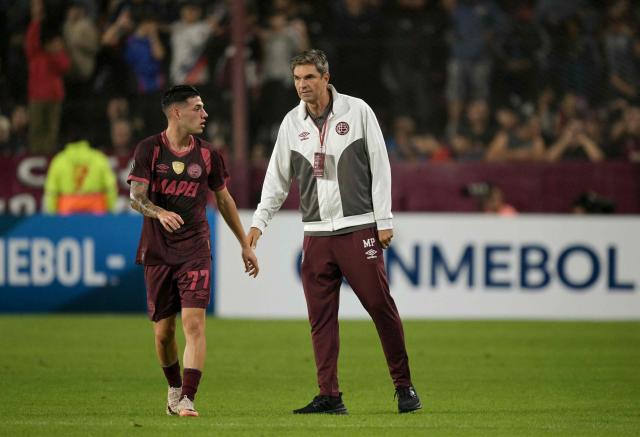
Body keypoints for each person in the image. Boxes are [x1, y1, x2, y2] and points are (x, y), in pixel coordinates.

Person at [247, 49, 421, 414]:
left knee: (379, 306)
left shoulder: (358, 111)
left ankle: (404, 386)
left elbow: (380, 164)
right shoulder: (291, 123)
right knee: (320, 318)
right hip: (315, 234)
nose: (302, 85)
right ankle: (330, 394)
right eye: (297, 78)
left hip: (357, 228)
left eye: (309, 77)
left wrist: (384, 220)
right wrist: (259, 223)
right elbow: (277, 180)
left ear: (326, 78)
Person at [127, 85, 259, 417]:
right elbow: (136, 197)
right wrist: (159, 212)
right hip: (158, 251)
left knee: (195, 324)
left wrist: (244, 243)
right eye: (198, 108)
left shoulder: (208, 155)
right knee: (163, 333)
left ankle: (188, 397)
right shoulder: (149, 150)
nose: (205, 114)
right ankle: (173, 388)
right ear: (177, 113)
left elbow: (224, 199)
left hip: (196, 249)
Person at [43, 136, 117, 215]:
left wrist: (52, 214)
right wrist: (110, 210)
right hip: (96, 210)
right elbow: (110, 186)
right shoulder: (98, 158)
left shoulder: (59, 160)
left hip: (67, 210)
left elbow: (51, 190)